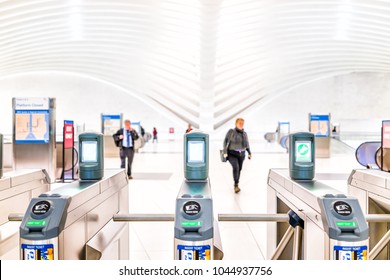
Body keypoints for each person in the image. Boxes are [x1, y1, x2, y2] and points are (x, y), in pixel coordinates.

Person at [223, 118, 252, 193]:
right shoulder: (231, 132)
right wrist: (225, 151)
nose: (241, 124)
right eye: (240, 123)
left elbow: (247, 144)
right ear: (236, 124)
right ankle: (236, 185)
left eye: (242, 123)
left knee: (239, 169)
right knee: (236, 167)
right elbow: (225, 141)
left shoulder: (244, 133)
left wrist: (249, 152)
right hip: (232, 153)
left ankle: (236, 182)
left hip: (242, 154)